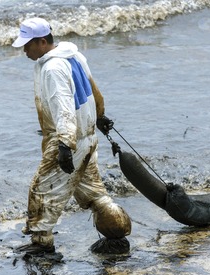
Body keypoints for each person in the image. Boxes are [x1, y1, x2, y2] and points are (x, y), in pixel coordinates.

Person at [12, 17, 132, 255]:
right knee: (93, 192)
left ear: (42, 42)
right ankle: (117, 234)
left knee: (42, 189)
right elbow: (92, 87)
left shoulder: (52, 68)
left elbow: (63, 106)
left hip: (69, 139)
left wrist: (65, 145)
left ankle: (41, 244)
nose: (24, 50)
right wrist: (100, 115)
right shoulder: (73, 55)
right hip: (87, 138)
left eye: (27, 44)